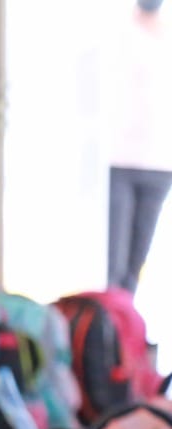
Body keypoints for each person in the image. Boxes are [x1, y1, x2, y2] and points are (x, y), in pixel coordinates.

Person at [107, 0, 172, 292]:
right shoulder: (119, 31)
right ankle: (107, 327)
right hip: (118, 160)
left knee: (135, 265)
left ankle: (125, 326)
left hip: (160, 164)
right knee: (113, 263)